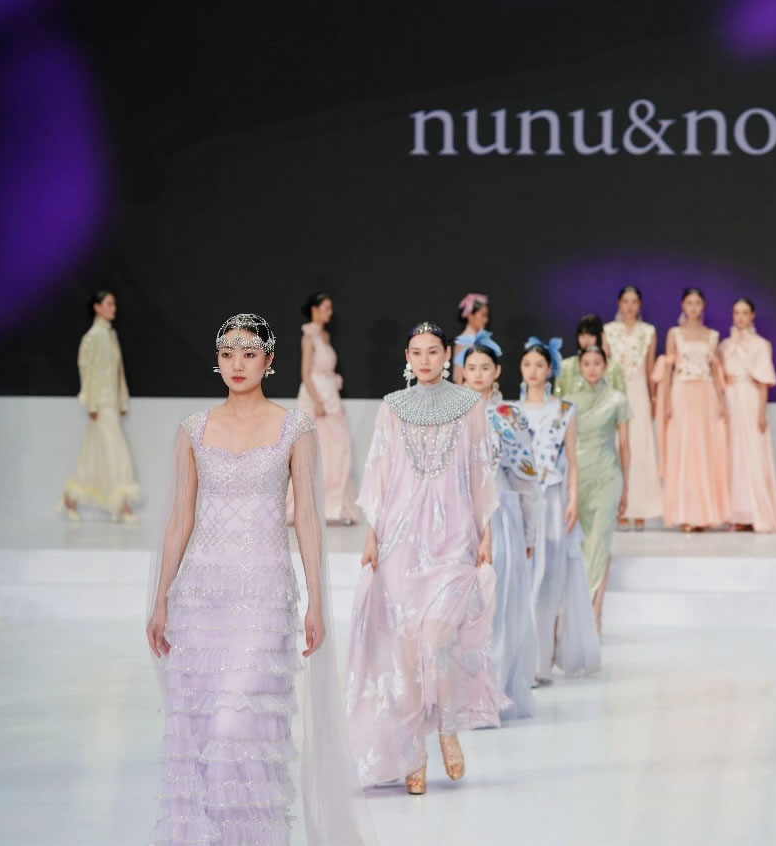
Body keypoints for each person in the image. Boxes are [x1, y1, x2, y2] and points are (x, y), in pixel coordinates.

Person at [146, 314, 373, 846]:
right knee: (202, 733)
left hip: (265, 596)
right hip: (201, 598)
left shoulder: (296, 428)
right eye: (227, 352)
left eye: (249, 353)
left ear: (269, 361)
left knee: (237, 728)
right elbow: (179, 520)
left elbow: (309, 520)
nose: (237, 363)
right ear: (217, 359)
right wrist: (161, 600)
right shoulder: (193, 429)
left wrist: (316, 599)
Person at [346, 321, 508, 796]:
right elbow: (378, 474)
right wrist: (372, 535)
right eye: (416, 352)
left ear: (448, 355)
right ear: (407, 357)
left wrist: (486, 532)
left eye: (433, 351)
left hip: (453, 536)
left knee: (439, 635)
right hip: (400, 538)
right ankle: (413, 750)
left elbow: (481, 470)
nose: (424, 360)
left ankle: (447, 726)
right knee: (404, 648)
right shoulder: (392, 407)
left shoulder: (471, 406)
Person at [457, 330, 539, 720]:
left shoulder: (510, 417)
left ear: (497, 371)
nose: (477, 374)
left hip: (501, 514)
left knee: (498, 603)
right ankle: (464, 695)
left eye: (484, 367)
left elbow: (526, 480)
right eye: (471, 367)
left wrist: (529, 530)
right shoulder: (450, 414)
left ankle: (495, 693)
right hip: (456, 515)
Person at [511, 338, 601, 680]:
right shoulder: (510, 412)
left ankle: (543, 661)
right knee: (525, 581)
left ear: (550, 369)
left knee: (549, 580)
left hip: (553, 500)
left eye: (539, 365)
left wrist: (573, 499)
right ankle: (527, 664)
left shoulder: (564, 411)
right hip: (522, 502)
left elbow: (572, 461)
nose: (533, 371)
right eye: (527, 365)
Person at [720, 299, 776, 533]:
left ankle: (755, 511)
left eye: (745, 312)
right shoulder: (724, 345)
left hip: (750, 398)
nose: (740, 317)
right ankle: (737, 513)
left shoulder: (761, 345)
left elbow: (763, 382)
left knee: (753, 452)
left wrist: (761, 411)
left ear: (752, 315)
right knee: (733, 454)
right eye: (736, 312)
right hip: (730, 398)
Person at [63, 291, 139, 521]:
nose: (113, 308)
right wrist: (92, 403)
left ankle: (73, 497)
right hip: (100, 403)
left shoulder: (110, 334)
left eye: (114, 304)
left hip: (111, 402)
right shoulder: (94, 336)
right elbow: (87, 369)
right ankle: (122, 504)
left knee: (96, 452)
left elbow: (118, 371)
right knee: (114, 451)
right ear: (97, 307)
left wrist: (122, 399)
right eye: (109, 304)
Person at [571, 344, 630, 630]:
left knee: (601, 540)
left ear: (605, 366)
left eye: (597, 363)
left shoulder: (618, 400)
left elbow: (625, 446)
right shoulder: (569, 402)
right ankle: (584, 610)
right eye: (587, 363)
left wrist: (626, 487)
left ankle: (594, 610)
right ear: (580, 367)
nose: (592, 368)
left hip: (608, 475)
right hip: (578, 478)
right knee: (583, 543)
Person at [287, 291, 358, 525]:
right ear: (315, 310)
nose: (330, 312)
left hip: (330, 396)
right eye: (326, 308)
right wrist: (317, 400)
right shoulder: (309, 336)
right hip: (315, 396)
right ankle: (304, 507)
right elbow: (305, 373)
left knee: (336, 450)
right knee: (312, 450)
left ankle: (334, 507)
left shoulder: (325, 336)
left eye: (330, 308)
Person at [662, 288, 729, 531]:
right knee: (684, 449)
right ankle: (685, 513)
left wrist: (721, 400)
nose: (693, 307)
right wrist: (666, 401)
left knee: (704, 450)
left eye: (697, 303)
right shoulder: (674, 334)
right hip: (682, 391)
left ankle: (704, 513)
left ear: (703, 306)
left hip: (706, 393)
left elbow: (715, 371)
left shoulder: (712, 336)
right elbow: (668, 369)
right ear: (683, 305)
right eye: (689, 303)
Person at [605, 286, 663, 529]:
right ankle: (619, 507)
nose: (629, 306)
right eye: (626, 301)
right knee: (617, 448)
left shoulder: (648, 331)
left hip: (639, 393)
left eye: (634, 301)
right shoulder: (609, 330)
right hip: (616, 393)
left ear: (640, 305)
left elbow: (649, 370)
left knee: (640, 449)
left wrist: (653, 399)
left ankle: (640, 508)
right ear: (619, 303)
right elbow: (606, 369)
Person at [556, 314, 625, 397]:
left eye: (591, 335)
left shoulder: (612, 367)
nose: (586, 340)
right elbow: (558, 398)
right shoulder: (565, 366)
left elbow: (621, 399)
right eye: (582, 335)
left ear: (600, 336)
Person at [451, 293, 489, 385]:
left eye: (487, 316)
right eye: (483, 315)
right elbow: (459, 375)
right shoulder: (463, 341)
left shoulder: (481, 339)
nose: (486, 320)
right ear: (470, 316)